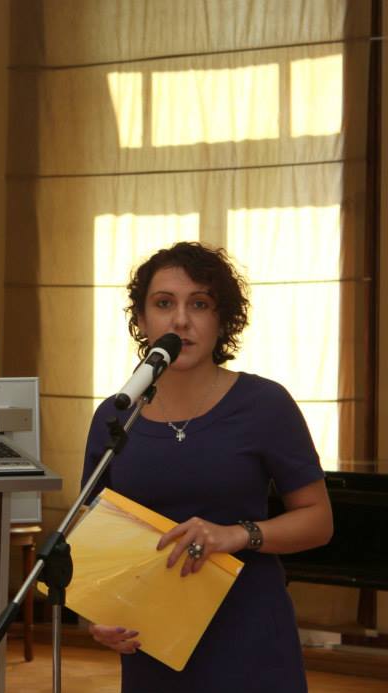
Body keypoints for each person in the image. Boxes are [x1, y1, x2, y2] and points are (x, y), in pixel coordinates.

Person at [82, 241, 333, 692]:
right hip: (153, 642)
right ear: (142, 319)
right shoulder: (115, 414)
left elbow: (318, 521)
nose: (180, 320)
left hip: (250, 636)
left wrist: (236, 534)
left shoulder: (265, 404)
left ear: (222, 320)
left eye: (199, 304)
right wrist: (96, 617)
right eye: (164, 304)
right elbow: (91, 534)